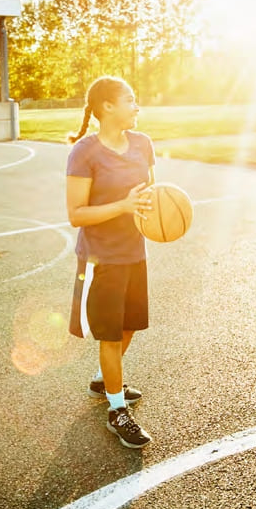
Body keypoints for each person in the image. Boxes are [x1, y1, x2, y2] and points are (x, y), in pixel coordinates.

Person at [66, 76, 155, 449]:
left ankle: (105, 379)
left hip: (134, 253)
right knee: (109, 334)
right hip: (101, 259)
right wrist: (122, 206)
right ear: (107, 107)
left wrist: (160, 214)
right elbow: (76, 214)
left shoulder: (143, 144)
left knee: (130, 327)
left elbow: (153, 195)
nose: (137, 106)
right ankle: (117, 411)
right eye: (130, 100)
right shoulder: (84, 153)